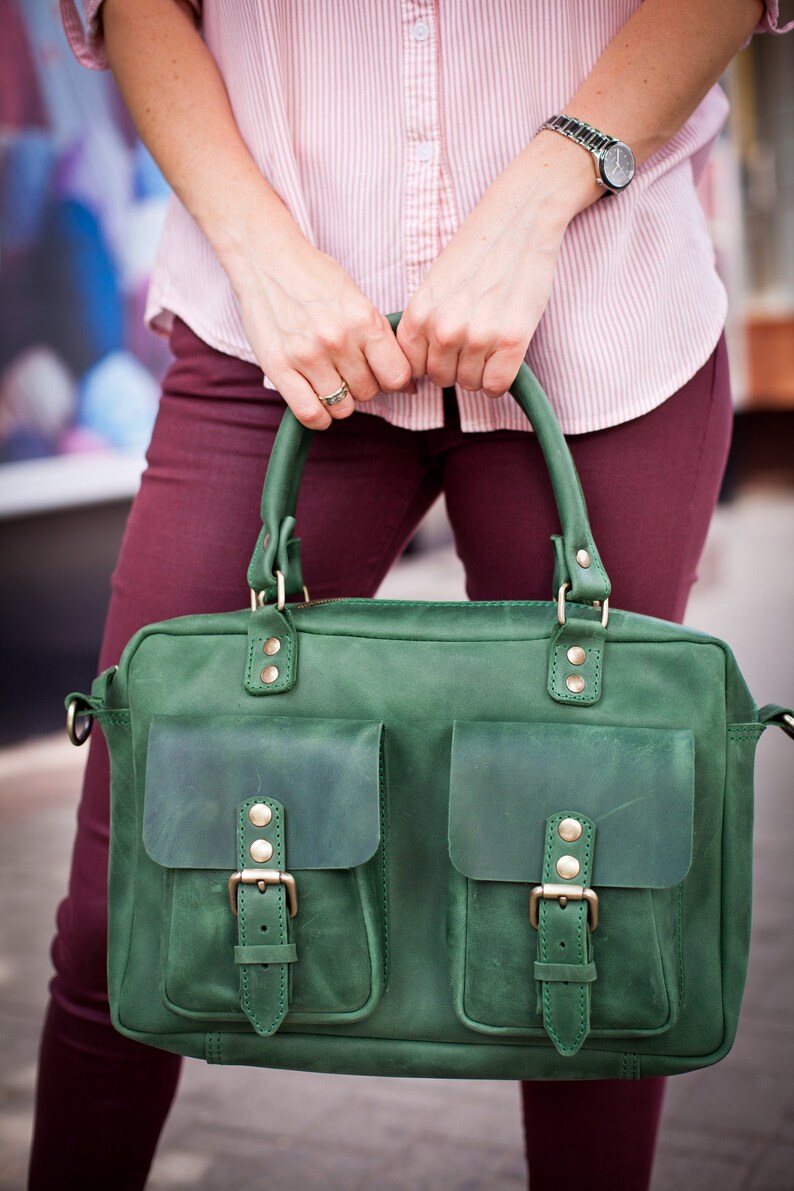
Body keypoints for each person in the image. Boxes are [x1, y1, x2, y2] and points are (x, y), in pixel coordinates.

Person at [32, 1, 791, 1188]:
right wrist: (264, 254)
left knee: (590, 920)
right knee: (118, 908)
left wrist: (542, 195)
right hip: (270, 339)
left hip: (596, 321)